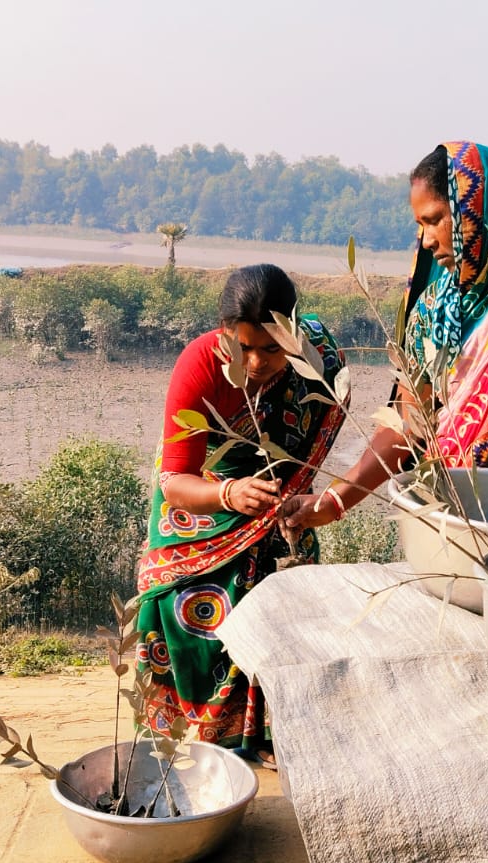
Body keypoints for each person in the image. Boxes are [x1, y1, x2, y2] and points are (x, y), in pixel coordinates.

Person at [282, 140, 488, 533]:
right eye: (419, 225)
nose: (425, 240)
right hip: (455, 514)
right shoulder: (432, 311)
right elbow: (407, 426)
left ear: (478, 211)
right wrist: (334, 500)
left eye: (435, 219)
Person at [133, 264, 345, 755]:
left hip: (277, 506)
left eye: (272, 348)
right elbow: (176, 483)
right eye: (242, 347)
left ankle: (272, 735)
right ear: (223, 333)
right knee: (181, 605)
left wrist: (303, 501)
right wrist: (229, 495)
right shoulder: (199, 366)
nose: (255, 362)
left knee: (283, 602)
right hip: (202, 505)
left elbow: (304, 448)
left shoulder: (319, 360)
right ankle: (196, 737)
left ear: (293, 333)